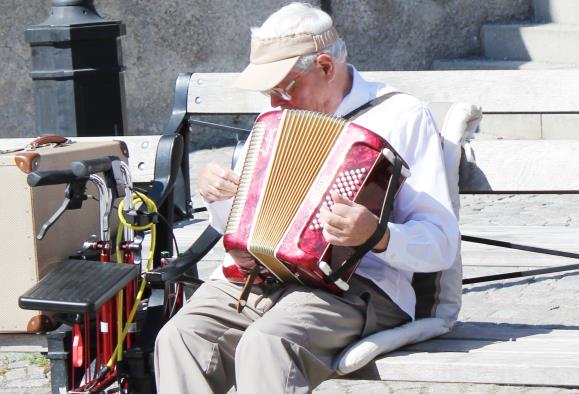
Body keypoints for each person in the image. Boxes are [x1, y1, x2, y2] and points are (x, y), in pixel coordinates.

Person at [154, 3, 459, 393]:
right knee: (180, 337)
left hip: (359, 289)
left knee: (267, 344)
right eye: (269, 92)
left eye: (284, 87)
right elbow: (239, 228)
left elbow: (441, 243)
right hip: (260, 277)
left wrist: (378, 236)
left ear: (326, 67)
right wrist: (217, 196)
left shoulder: (400, 117)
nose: (275, 103)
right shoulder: (274, 122)